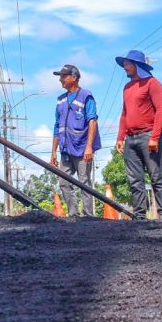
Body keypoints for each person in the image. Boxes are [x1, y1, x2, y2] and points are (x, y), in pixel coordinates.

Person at [115, 50, 162, 220]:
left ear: (137, 65)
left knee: (156, 175)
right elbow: (124, 113)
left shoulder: (153, 83)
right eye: (124, 64)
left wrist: (154, 137)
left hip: (148, 136)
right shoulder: (127, 87)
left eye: (128, 64)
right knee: (134, 180)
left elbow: (160, 110)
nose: (125, 67)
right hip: (130, 139)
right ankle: (139, 216)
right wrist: (119, 137)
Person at [49, 64, 100, 216]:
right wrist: (53, 151)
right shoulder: (60, 100)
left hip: (82, 147)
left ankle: (88, 216)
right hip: (65, 149)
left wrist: (89, 147)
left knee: (84, 182)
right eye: (60, 77)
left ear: (74, 77)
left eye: (64, 76)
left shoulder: (86, 96)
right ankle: (73, 214)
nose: (60, 80)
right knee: (63, 182)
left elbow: (92, 121)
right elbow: (57, 126)